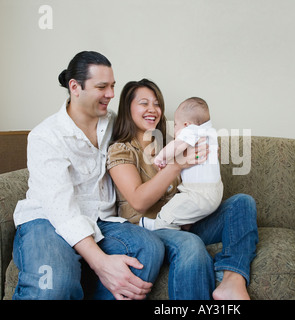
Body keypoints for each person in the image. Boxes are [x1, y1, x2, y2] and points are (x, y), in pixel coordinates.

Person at [12, 51, 164, 300]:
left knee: (150, 247)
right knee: (55, 283)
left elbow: (147, 130)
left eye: (113, 86)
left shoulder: (114, 123)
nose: (112, 95)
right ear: (75, 87)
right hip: (47, 220)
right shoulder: (46, 136)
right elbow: (62, 211)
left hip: (100, 220)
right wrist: (100, 263)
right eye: (102, 87)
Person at [107, 79, 259, 300]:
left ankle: (232, 280)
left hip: (182, 220)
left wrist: (204, 162)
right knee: (191, 245)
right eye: (143, 103)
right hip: (149, 228)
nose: (153, 109)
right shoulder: (121, 149)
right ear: (127, 108)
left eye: (157, 104)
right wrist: (177, 164)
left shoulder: (171, 143)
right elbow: (138, 202)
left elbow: (193, 187)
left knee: (243, 203)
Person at [139, 97, 223, 231]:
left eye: (176, 125)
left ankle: (158, 225)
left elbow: (177, 146)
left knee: (169, 213)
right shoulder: (210, 132)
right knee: (183, 212)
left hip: (197, 193)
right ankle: (183, 229)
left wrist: (162, 157)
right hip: (216, 192)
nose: (175, 130)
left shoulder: (191, 130)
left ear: (186, 125)